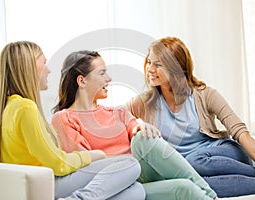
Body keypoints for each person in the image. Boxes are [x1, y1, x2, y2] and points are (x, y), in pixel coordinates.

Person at [51, 50, 218, 200]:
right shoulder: (64, 118)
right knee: (184, 188)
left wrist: (142, 126)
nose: (109, 79)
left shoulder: (118, 112)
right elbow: (88, 165)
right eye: (102, 73)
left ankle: (211, 197)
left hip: (142, 169)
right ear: (82, 81)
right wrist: (126, 164)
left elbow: (139, 134)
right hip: (121, 181)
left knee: (143, 139)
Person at [0, 41, 146, 200]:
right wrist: (94, 155)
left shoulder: (12, 105)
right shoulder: (26, 108)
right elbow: (57, 163)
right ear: (28, 67)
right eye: (44, 63)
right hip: (51, 183)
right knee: (130, 164)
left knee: (136, 191)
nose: (48, 70)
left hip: (45, 182)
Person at [125, 36, 255, 197]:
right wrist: (135, 123)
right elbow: (115, 116)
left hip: (223, 155)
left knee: (194, 161)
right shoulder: (145, 102)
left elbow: (240, 132)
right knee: (195, 185)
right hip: (188, 169)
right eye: (149, 62)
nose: (150, 69)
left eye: (158, 64)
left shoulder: (205, 94)